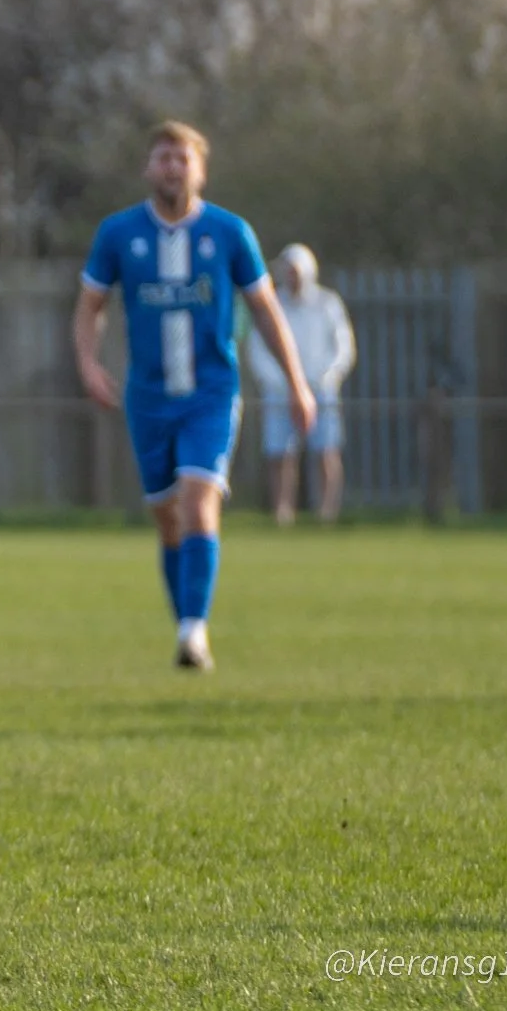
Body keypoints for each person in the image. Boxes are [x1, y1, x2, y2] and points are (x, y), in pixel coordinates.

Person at [73, 120, 317, 673]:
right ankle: (186, 620)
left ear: (201, 170)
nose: (173, 167)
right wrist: (87, 363)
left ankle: (193, 632)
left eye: (183, 158)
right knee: (167, 520)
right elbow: (90, 305)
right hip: (147, 398)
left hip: (212, 393)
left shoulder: (230, 233)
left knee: (198, 501)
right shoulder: (119, 234)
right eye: (163, 157)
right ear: (148, 168)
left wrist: (298, 383)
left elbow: (265, 309)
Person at [248, 244, 355, 525]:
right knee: (280, 453)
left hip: (322, 390)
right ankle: (282, 514)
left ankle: (327, 513)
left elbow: (343, 346)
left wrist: (326, 377)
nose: (291, 277)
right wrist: (279, 381)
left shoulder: (327, 303)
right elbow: (258, 347)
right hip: (280, 391)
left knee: (326, 451)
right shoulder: (273, 303)